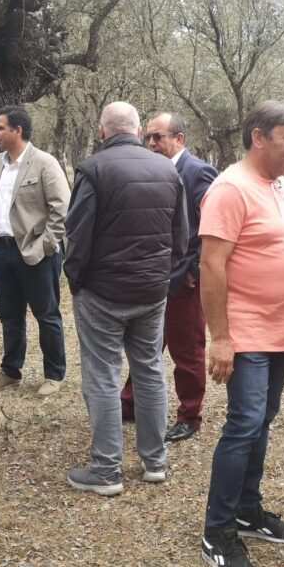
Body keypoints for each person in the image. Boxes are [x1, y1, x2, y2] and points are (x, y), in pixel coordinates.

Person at [199, 101, 284, 567]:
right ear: (258, 137)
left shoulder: (281, 183)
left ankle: (247, 509)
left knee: (262, 419)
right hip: (248, 331)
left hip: (283, 330)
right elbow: (211, 266)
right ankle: (217, 531)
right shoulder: (230, 189)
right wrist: (221, 338)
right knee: (244, 423)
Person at [63, 101, 187, 496]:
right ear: (137, 131)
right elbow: (181, 237)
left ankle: (106, 470)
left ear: (103, 131)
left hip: (103, 292)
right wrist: (160, 277)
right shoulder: (168, 170)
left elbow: (77, 235)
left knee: (103, 374)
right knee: (149, 370)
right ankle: (155, 462)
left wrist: (76, 280)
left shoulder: (93, 169)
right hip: (151, 291)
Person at [121, 112, 218, 442]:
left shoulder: (197, 172)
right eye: (148, 137)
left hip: (183, 281)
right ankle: (130, 402)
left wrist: (193, 271)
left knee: (187, 350)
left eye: (158, 137)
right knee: (146, 344)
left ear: (179, 139)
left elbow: (210, 227)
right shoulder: (149, 170)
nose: (151, 143)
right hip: (152, 276)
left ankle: (189, 415)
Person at [0, 105, 70, 396]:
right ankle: (10, 370)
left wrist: (45, 246)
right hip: (2, 250)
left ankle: (54, 374)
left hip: (36, 252)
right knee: (9, 315)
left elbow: (62, 209)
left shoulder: (44, 163)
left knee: (46, 315)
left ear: (17, 131)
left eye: (0, 128)